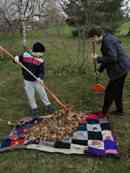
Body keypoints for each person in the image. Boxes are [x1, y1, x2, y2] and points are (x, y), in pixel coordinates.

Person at [88, 26, 130, 116]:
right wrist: (100, 70)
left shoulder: (107, 42)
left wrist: (98, 58)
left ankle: (103, 113)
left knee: (109, 92)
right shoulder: (107, 37)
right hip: (124, 66)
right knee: (117, 91)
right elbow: (108, 57)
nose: (92, 41)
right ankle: (120, 111)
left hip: (120, 69)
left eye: (92, 39)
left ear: (95, 36)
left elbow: (112, 58)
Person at [14, 42, 55, 116]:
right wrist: (16, 59)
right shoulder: (25, 55)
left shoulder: (40, 61)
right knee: (30, 95)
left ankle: (48, 105)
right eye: (41, 53)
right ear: (35, 52)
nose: (42, 55)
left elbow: (42, 71)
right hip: (27, 80)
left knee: (42, 93)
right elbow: (16, 60)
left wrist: (40, 78)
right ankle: (34, 108)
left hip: (37, 81)